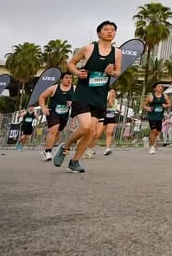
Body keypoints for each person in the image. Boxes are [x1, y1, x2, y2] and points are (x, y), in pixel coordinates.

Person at [53, 21, 122, 173]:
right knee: (85, 127)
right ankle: (65, 146)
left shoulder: (117, 52)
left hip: (100, 96)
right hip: (84, 94)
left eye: (113, 30)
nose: (110, 32)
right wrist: (77, 73)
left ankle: (74, 162)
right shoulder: (88, 48)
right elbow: (71, 63)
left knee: (91, 132)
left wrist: (112, 73)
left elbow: (118, 72)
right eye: (106, 29)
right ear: (99, 33)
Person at [39, 73, 75, 161]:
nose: (69, 79)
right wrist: (43, 108)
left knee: (58, 132)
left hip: (64, 113)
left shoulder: (74, 88)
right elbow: (42, 97)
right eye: (66, 78)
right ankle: (48, 151)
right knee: (54, 129)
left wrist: (73, 102)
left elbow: (80, 99)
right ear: (61, 80)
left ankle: (46, 149)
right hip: (52, 112)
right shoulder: (54, 88)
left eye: (70, 78)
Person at [142, 83, 169, 155]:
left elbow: (169, 104)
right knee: (153, 131)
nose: (161, 88)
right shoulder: (150, 97)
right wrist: (148, 108)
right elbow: (144, 105)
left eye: (162, 86)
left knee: (157, 133)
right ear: (155, 88)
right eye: (159, 86)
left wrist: (165, 105)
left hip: (160, 116)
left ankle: (150, 138)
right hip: (152, 116)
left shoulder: (165, 96)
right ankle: (151, 147)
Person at [99, 88, 119, 156]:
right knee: (98, 134)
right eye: (111, 92)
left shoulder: (116, 100)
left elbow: (113, 107)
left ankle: (107, 148)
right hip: (104, 116)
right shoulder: (106, 99)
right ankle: (90, 148)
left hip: (111, 116)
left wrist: (118, 110)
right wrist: (109, 98)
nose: (112, 93)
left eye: (114, 92)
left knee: (109, 133)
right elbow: (110, 105)